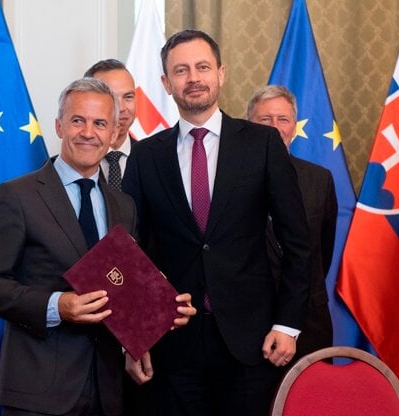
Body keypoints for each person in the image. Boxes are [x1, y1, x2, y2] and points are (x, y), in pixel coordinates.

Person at [0, 77, 195, 416]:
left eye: (100, 123)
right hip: (39, 392)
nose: (88, 132)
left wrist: (161, 313)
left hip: (108, 391)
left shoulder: (124, 206)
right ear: (60, 125)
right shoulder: (16, 196)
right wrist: (57, 305)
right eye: (78, 120)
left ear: (113, 133)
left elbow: (119, 290)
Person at [122, 29, 311, 416]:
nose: (193, 78)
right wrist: (134, 336)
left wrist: (288, 324)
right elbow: (129, 251)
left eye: (202, 67)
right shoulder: (145, 157)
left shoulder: (262, 144)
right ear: (165, 83)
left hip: (253, 343)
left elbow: (298, 243)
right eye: (181, 70)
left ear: (220, 74)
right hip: (172, 346)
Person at [247, 85, 338, 359]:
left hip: (309, 323)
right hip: (249, 324)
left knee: (311, 401)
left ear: (294, 126)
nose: (274, 128)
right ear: (248, 125)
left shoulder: (319, 179)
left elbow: (322, 249)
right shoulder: (231, 180)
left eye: (283, 119)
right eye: (265, 120)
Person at [84, 59, 137, 191]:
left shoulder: (152, 160)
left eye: (128, 97)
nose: (122, 108)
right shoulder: (68, 164)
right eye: (111, 98)